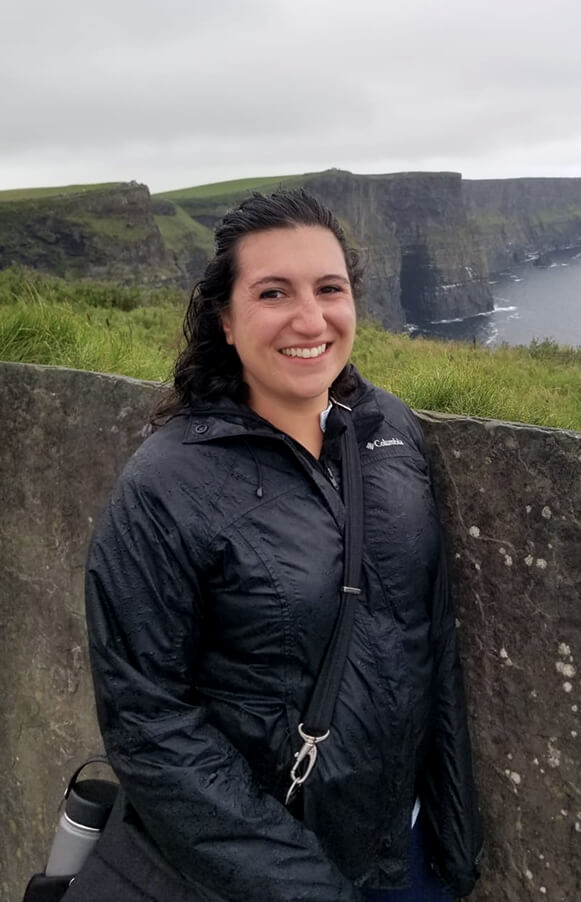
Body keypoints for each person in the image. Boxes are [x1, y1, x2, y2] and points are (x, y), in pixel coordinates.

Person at [64, 190, 482, 902]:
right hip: (254, 879)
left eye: (330, 289)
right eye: (273, 292)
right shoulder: (167, 483)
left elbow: (428, 637)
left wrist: (451, 836)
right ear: (225, 321)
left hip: (405, 856)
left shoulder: (389, 432)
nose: (310, 319)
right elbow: (148, 721)